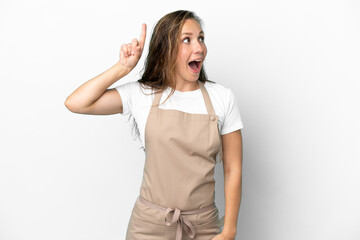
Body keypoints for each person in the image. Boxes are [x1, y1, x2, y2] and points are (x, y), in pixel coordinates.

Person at [65, 10, 243, 240]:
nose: (198, 47)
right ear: (165, 48)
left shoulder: (222, 97)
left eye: (201, 38)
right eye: (186, 40)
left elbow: (233, 168)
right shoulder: (143, 94)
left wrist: (229, 229)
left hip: (204, 227)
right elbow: (76, 103)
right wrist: (123, 68)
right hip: (148, 227)